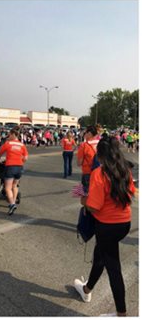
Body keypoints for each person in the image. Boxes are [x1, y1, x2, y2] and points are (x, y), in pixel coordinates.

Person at [73, 135, 136, 317]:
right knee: (100, 256)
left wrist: (84, 200)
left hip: (107, 225)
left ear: (100, 156)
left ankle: (121, 314)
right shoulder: (125, 170)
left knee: (113, 269)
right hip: (124, 223)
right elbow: (131, 192)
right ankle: (86, 290)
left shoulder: (99, 174)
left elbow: (94, 205)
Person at [0, 127, 28, 216]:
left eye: (9, 135)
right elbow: (25, 157)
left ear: (13, 135)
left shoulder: (8, 143)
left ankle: (12, 204)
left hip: (10, 167)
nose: (8, 136)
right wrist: (20, 162)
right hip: (19, 167)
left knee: (7, 188)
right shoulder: (22, 145)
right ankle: (13, 201)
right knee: (15, 185)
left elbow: (0, 153)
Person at [77, 125, 99, 191]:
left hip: (88, 172)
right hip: (100, 172)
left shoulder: (84, 145)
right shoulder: (100, 143)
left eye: (85, 133)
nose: (84, 134)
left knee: (86, 194)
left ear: (89, 134)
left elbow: (79, 163)